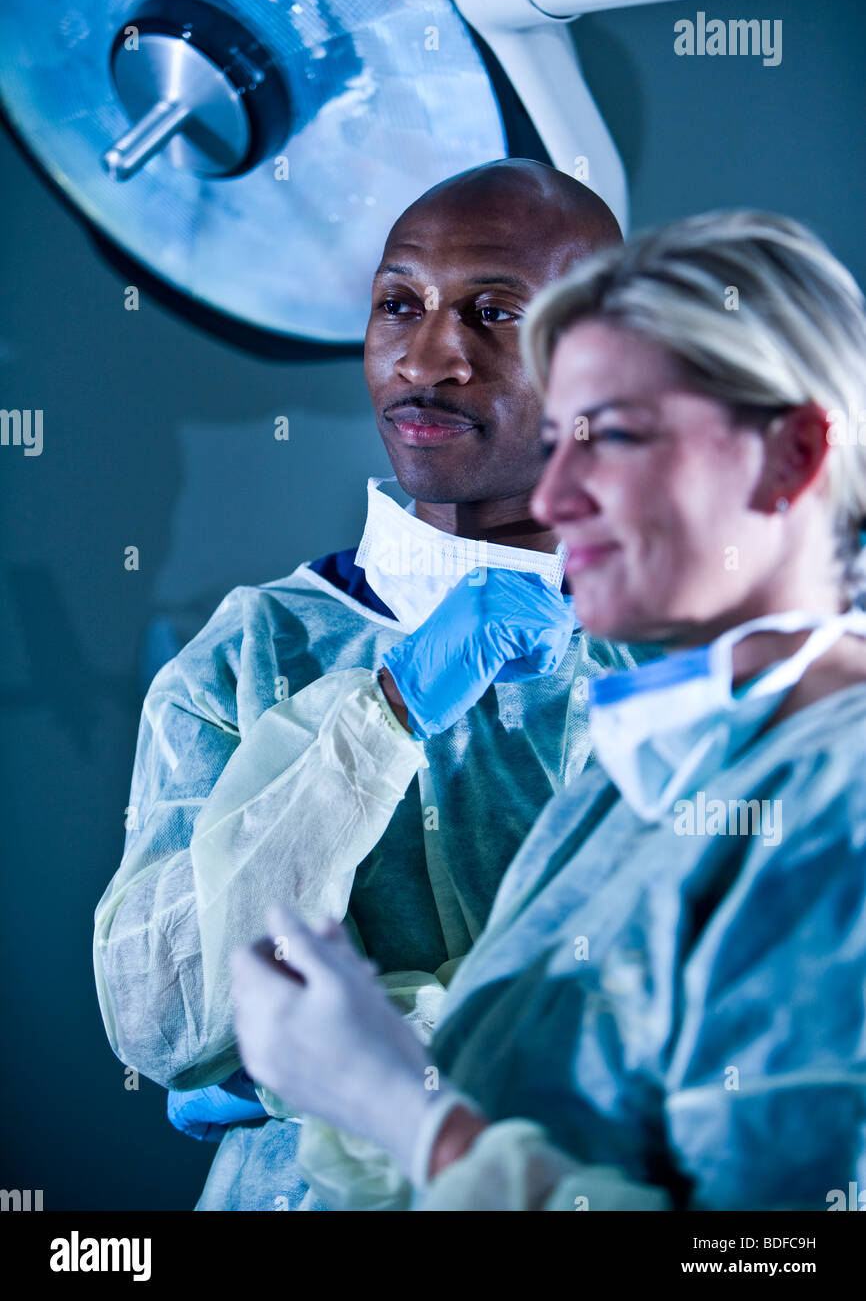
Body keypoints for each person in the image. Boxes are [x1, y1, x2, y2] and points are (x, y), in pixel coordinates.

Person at [231, 209, 866, 1210]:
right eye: (557, 439)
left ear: (789, 455)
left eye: (610, 437)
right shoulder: (652, 761)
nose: (556, 496)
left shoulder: (840, 798)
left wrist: (409, 1113)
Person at [93, 159, 642, 1212]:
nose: (428, 356)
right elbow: (160, 1018)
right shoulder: (247, 656)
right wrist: (379, 718)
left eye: (492, 312)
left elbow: (657, 1023)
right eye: (399, 304)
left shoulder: (675, 657)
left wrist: (325, 1062)